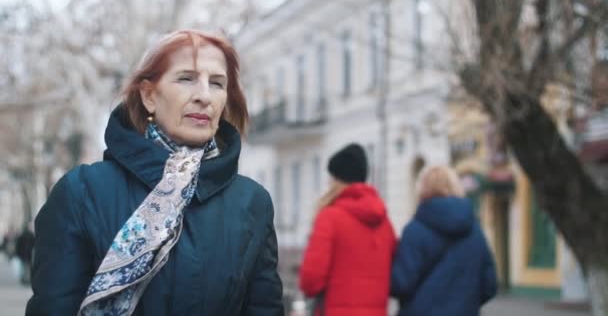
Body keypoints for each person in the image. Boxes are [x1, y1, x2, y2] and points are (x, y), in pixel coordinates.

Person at [26, 29, 283, 315]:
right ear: (149, 95)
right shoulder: (82, 192)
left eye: (217, 83)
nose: (204, 96)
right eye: (186, 78)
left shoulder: (252, 203)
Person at [299, 144, 396, 316]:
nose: (328, 182)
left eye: (331, 177)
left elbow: (311, 280)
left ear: (338, 179)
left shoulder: (329, 217)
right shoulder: (384, 222)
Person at [391, 165, 497, 316]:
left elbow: (401, 283)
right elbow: (489, 285)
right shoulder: (475, 231)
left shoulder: (414, 230)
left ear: (423, 189)